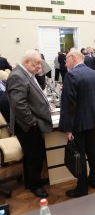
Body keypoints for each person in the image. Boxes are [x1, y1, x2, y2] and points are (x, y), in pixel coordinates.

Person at [6, 50, 52, 198]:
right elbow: (19, 104)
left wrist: (39, 72)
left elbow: (37, 90)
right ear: (26, 62)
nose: (40, 66)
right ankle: (35, 185)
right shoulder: (17, 76)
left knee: (32, 155)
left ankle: (32, 181)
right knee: (35, 156)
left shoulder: (27, 73)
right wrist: (31, 122)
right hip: (27, 126)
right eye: (37, 63)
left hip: (30, 124)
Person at [59, 49, 95, 198]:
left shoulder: (71, 75)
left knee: (81, 154)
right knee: (92, 150)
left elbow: (69, 105)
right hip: (91, 118)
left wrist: (67, 128)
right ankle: (94, 179)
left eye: (67, 60)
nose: (65, 63)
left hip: (78, 121)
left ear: (74, 57)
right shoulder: (93, 73)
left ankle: (82, 187)